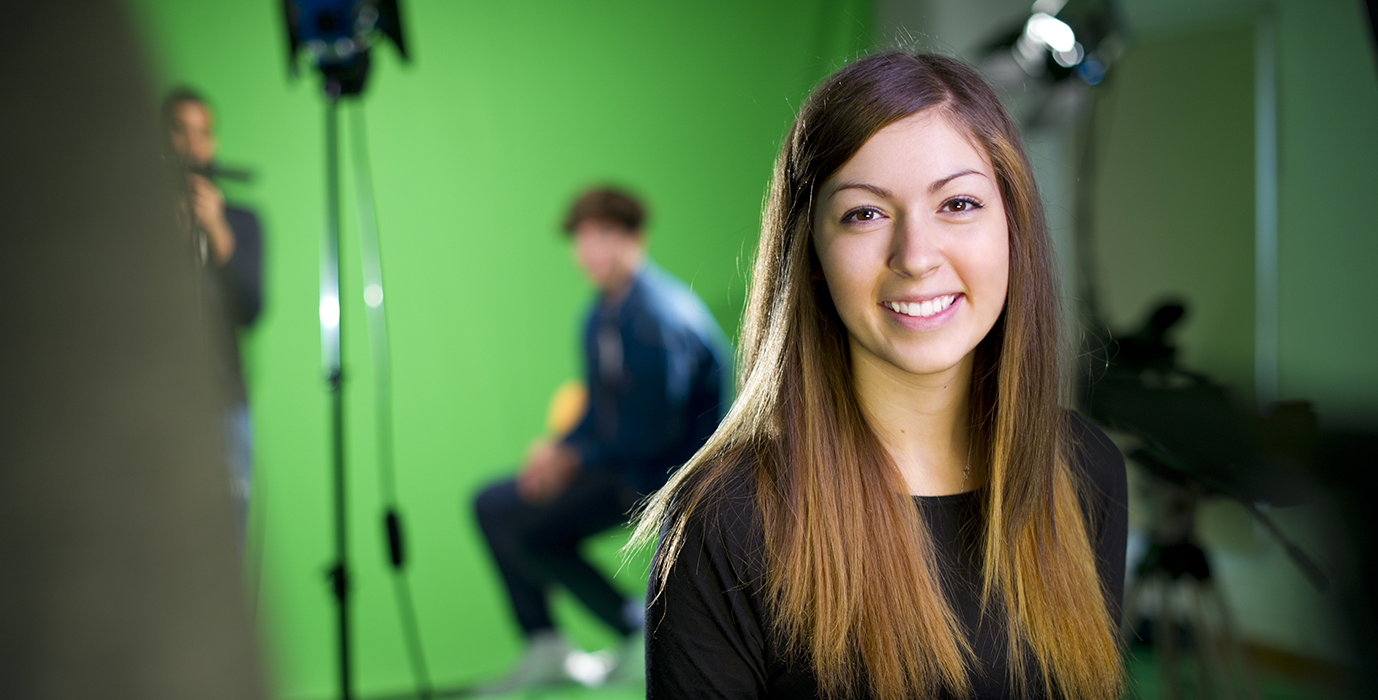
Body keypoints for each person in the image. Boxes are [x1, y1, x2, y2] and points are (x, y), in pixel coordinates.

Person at [632, 52, 1128, 700]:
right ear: (811, 252)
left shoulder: (1085, 469)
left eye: (958, 203)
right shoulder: (726, 521)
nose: (916, 257)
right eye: (865, 214)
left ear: (1013, 227)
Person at [472, 187, 729, 693]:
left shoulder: (657, 316)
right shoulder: (599, 316)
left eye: (605, 237)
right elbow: (597, 409)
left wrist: (575, 458)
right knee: (493, 504)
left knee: (537, 534)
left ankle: (638, 632)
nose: (591, 252)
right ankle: (546, 645)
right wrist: (557, 450)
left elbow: (655, 431)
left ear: (635, 239)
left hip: (664, 479)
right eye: (582, 240)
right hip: (618, 465)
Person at [164, 87, 265, 550]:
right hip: (158, 407)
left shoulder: (243, 221)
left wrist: (218, 232)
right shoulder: (137, 223)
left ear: (214, 143)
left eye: (202, 133)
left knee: (229, 549)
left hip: (226, 407)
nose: (192, 144)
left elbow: (250, 309)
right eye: (180, 132)